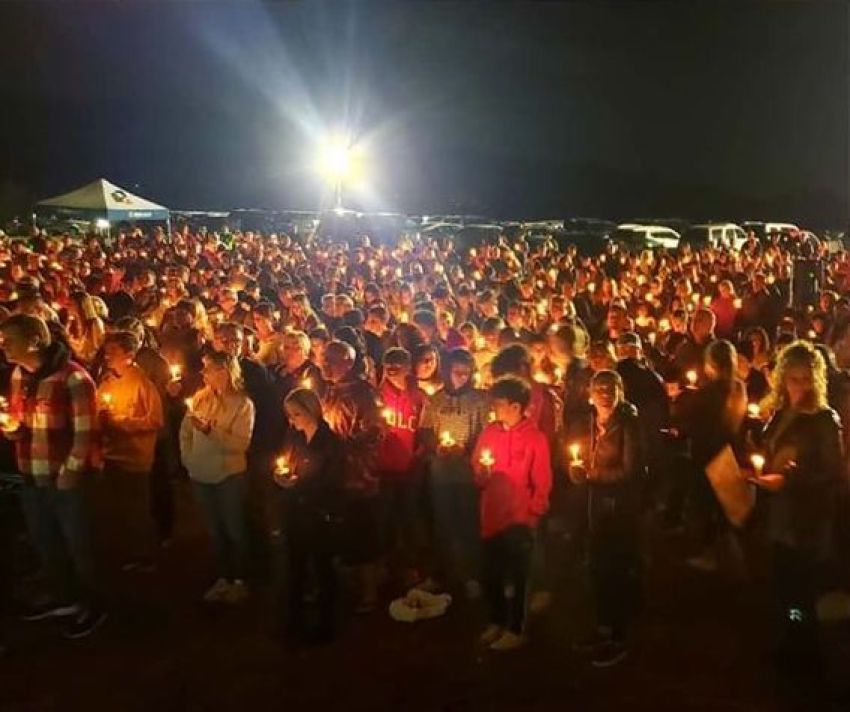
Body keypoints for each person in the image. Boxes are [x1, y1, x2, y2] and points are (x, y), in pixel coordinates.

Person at [0, 314, 105, 639]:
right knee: (47, 542)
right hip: (32, 474)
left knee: (79, 545)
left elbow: (86, 432)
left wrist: (71, 472)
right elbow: (21, 420)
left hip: (65, 479)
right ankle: (66, 598)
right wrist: (13, 430)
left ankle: (93, 605)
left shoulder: (74, 379)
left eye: (9, 340)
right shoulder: (20, 375)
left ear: (34, 340)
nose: (3, 346)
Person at [753, 341, 844, 675]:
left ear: (817, 379)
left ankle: (808, 653)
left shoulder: (824, 419)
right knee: (784, 580)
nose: (801, 386)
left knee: (804, 586)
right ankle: (791, 640)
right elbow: (770, 446)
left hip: (806, 517)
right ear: (782, 379)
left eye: (807, 379)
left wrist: (791, 480)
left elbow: (833, 471)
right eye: (794, 379)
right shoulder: (781, 413)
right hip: (780, 512)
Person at [568, 370, 644, 667]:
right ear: (589, 392)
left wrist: (593, 476)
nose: (604, 392)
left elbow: (632, 470)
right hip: (593, 506)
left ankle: (618, 637)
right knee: (597, 567)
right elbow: (577, 456)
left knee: (616, 568)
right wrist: (575, 471)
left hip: (619, 508)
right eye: (599, 387)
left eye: (611, 387)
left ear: (620, 391)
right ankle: (602, 627)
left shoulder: (629, 424)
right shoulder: (587, 422)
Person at [472, 376, 552, 652]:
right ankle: (496, 620)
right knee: (490, 574)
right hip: (492, 515)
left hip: (519, 519)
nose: (494, 407)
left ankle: (516, 628)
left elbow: (542, 480)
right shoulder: (489, 433)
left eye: (499, 403)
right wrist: (481, 475)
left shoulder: (535, 439)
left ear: (516, 407)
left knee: (519, 578)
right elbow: (478, 472)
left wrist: (533, 513)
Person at [179, 350, 255, 604]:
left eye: (209, 368)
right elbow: (185, 433)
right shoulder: (200, 398)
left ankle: (241, 580)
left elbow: (240, 445)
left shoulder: (243, 405)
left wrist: (211, 432)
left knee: (234, 529)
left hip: (228, 476)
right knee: (215, 530)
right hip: (200, 475)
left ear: (224, 371)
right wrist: (189, 460)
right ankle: (223, 577)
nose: (204, 373)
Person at [276, 388, 345, 643]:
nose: (292, 420)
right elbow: (285, 461)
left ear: (311, 411)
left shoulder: (329, 442)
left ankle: (326, 623)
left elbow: (334, 481)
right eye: (289, 415)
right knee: (295, 567)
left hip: (318, 514)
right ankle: (294, 621)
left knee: (323, 568)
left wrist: (302, 486)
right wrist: (281, 477)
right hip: (294, 512)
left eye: (296, 414)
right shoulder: (293, 436)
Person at [320, 340, 384, 613]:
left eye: (331, 360)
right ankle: (347, 586)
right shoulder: (330, 390)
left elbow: (374, 433)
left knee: (363, 534)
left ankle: (369, 593)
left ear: (348, 362)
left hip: (359, 476)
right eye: (323, 359)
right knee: (342, 532)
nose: (324, 365)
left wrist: (340, 445)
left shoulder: (363, 394)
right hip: (336, 474)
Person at [420, 348, 489, 596]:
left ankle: (471, 574)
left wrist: (467, 449)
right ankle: (441, 573)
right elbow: (425, 430)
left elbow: (486, 432)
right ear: (447, 371)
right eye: (456, 371)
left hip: (467, 473)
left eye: (465, 372)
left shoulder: (481, 400)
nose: (460, 377)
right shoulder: (435, 400)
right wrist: (436, 446)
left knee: (469, 524)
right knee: (443, 523)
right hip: (441, 473)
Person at [95, 330, 164, 571]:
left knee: (137, 510)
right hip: (110, 454)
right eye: (107, 351)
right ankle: (123, 550)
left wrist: (122, 421)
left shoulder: (143, 384)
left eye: (113, 352)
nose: (107, 356)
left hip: (135, 458)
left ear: (129, 354)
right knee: (116, 508)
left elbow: (155, 420)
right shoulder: (107, 381)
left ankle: (145, 555)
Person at [375, 347, 427, 587]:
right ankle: (386, 566)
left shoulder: (419, 397)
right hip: (384, 466)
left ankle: (411, 566)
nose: (392, 371)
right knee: (385, 518)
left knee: (409, 517)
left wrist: (421, 450)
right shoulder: (377, 396)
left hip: (410, 467)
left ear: (408, 368)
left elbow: (426, 430)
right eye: (388, 366)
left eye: (398, 366)